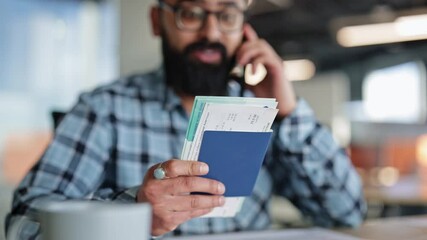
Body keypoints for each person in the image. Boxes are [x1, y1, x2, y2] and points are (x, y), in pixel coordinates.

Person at [6, 0, 366, 238]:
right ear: (157, 21)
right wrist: (134, 214)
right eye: (191, 13)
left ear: (243, 27)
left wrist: (286, 109)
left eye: (226, 15)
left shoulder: (260, 113)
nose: (210, 33)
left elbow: (346, 212)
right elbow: (24, 224)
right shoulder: (105, 108)